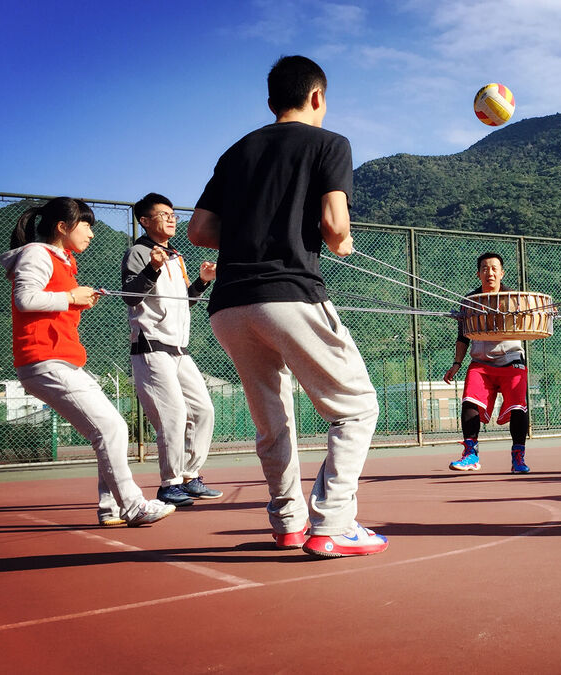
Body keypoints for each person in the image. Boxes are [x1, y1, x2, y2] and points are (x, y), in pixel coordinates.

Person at [188, 55, 388, 558]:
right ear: (317, 96)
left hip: (229, 305)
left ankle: (288, 524)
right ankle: (332, 524)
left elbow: (200, 230)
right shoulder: (329, 143)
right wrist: (339, 240)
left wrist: (252, 232)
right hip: (289, 295)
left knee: (272, 419)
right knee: (357, 408)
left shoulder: (237, 151)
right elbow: (335, 226)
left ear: (271, 100)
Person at [0, 197, 175, 527]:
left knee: (109, 428)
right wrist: (70, 296)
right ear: (62, 227)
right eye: (86, 225)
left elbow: (48, 301)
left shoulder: (64, 261)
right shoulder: (37, 254)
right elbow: (25, 299)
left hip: (63, 360)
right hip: (44, 359)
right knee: (111, 428)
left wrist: (76, 299)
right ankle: (133, 506)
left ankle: (111, 508)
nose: (92, 233)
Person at [122, 193, 222, 508]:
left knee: (203, 411)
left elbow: (182, 303)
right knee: (173, 415)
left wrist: (202, 282)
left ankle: (190, 477)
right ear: (144, 221)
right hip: (151, 347)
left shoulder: (175, 256)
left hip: (179, 350)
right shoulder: (138, 253)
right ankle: (170, 484)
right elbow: (130, 297)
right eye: (163, 214)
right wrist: (152, 268)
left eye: (172, 214)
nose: (171, 218)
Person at [443, 252, 531, 474]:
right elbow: (463, 336)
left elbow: (534, 315)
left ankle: (518, 457)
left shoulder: (515, 299)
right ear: (478, 274)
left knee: (518, 407)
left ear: (502, 273)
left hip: (512, 360)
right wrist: (456, 363)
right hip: (480, 362)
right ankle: (470, 455)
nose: (489, 272)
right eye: (484, 268)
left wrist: (547, 312)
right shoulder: (469, 302)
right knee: (469, 402)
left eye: (494, 268)